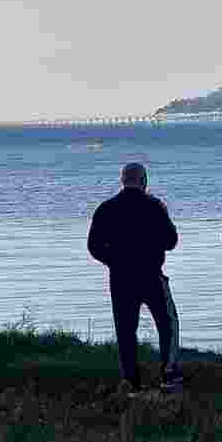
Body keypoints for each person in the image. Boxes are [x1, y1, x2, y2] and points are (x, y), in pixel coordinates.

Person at [87, 162, 183, 394]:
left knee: (126, 329)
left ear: (122, 180)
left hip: (120, 278)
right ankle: (169, 375)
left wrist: (113, 260)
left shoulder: (106, 208)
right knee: (168, 323)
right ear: (144, 180)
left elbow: (93, 246)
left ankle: (131, 381)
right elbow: (171, 241)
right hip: (151, 274)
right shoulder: (154, 206)